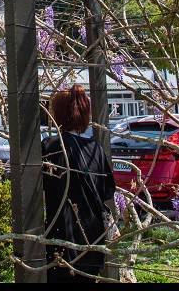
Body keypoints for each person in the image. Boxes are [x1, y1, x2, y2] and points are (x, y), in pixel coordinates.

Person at [41, 85, 116, 282]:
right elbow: (108, 190)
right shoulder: (95, 148)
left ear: (58, 114)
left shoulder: (51, 146)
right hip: (93, 235)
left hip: (62, 235)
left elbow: (41, 187)